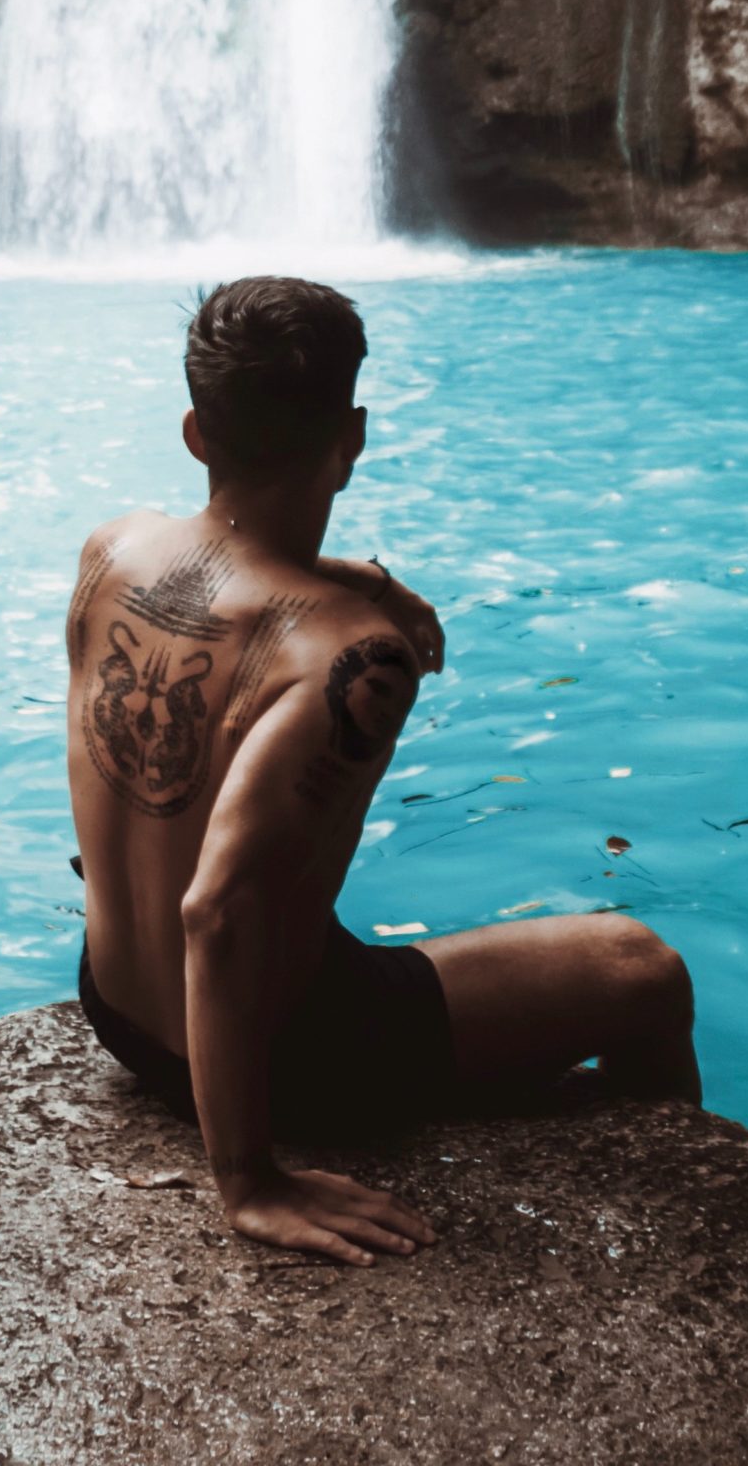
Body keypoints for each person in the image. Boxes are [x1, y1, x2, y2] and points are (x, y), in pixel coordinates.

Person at [67, 274, 700, 1268]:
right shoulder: (358, 658)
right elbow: (218, 911)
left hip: (114, 1008)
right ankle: (682, 1249)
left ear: (197, 431)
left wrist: (349, 573)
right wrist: (249, 1177)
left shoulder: (112, 552)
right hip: (282, 1055)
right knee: (644, 970)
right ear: (350, 438)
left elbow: (231, 589)